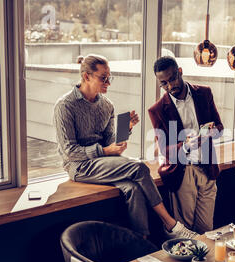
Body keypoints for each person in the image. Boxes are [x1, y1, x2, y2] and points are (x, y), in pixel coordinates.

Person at [53, 53, 197, 239]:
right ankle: (170, 224)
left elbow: (110, 142)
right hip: (79, 166)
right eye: (103, 78)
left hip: (103, 162)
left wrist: (126, 129)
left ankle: (141, 241)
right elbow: (69, 152)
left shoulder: (107, 105)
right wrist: (105, 151)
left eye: (109, 77)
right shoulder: (65, 106)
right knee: (138, 167)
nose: (108, 83)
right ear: (86, 76)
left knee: (133, 189)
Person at [148, 56, 224, 234]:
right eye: (164, 83)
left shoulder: (204, 93)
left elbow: (219, 127)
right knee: (187, 232)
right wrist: (186, 145)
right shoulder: (157, 110)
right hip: (183, 173)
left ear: (180, 72)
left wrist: (212, 132)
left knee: (207, 231)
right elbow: (166, 150)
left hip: (207, 168)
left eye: (172, 79)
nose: (169, 86)